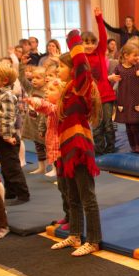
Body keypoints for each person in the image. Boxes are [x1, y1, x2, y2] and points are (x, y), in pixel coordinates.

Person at [50, 32, 103, 256]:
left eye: (61, 67)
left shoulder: (80, 88)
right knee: (72, 196)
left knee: (86, 196)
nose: (57, 71)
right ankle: (74, 235)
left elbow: (83, 66)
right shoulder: (67, 90)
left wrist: (74, 40)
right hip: (67, 149)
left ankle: (93, 239)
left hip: (80, 147)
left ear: (72, 69)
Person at [26, 79, 68, 226]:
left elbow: (48, 107)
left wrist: (34, 101)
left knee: (68, 188)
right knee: (62, 188)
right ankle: (68, 215)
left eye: (51, 90)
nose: (46, 92)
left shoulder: (60, 108)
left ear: (62, 94)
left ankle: (74, 218)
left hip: (63, 153)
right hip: (55, 152)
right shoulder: (53, 108)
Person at [0, 64, 31, 205]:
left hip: (7, 137)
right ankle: (11, 192)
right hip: (0, 136)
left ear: (4, 80)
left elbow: (8, 118)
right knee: (5, 166)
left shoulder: (7, 96)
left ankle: (23, 194)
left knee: (12, 167)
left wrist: (7, 136)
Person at [83, 7, 116, 155]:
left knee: (108, 124)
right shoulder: (80, 58)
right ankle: (99, 149)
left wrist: (99, 19)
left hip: (106, 94)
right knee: (96, 125)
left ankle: (110, 147)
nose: (89, 45)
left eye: (91, 42)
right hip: (91, 96)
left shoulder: (99, 51)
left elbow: (103, 36)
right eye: (85, 42)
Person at [109, 43, 139, 154]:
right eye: (134, 55)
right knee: (128, 127)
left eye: (137, 55)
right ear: (126, 56)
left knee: (135, 126)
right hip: (124, 100)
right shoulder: (119, 68)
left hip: (135, 100)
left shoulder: (137, 67)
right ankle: (132, 146)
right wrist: (111, 78)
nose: (137, 58)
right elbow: (113, 79)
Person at [18, 61, 48, 174]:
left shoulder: (46, 91)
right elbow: (22, 79)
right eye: (33, 77)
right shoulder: (31, 89)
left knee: (49, 147)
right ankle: (42, 167)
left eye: (38, 78)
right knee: (38, 146)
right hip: (33, 123)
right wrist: (21, 66)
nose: (34, 80)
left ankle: (55, 168)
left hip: (44, 124)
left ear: (45, 80)